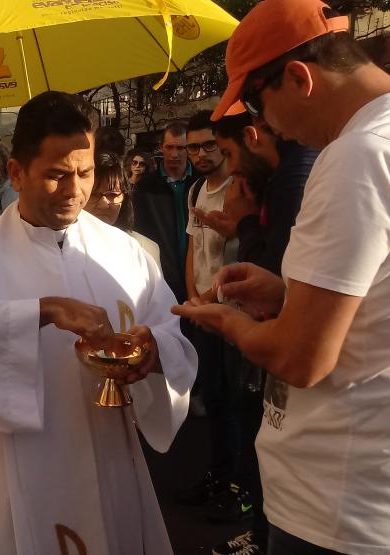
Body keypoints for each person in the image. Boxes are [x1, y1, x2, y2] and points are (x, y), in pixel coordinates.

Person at [0, 91, 197, 554]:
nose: (74, 191)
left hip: (109, 450)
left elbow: (168, 330)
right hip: (21, 461)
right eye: (56, 175)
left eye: (83, 174)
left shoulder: (123, 250)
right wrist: (42, 311)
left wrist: (152, 351)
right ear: (16, 173)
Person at [173, 1, 390, 553]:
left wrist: (228, 322)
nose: (261, 126)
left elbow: (301, 358)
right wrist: (288, 292)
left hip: (336, 497)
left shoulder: (355, 158)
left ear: (299, 77)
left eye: (254, 103)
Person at [202, 112, 317, 555]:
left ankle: (263, 530)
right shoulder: (290, 172)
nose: (229, 168)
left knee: (258, 424)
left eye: (228, 153)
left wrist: (246, 224)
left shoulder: (296, 174)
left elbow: (277, 272)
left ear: (252, 136)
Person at [177, 110, 246, 523]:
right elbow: (192, 250)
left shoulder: (241, 186)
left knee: (238, 403)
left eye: (207, 144)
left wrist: (203, 298)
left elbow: (243, 253)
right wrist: (192, 298)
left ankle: (239, 489)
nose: (200, 153)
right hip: (204, 312)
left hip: (236, 313)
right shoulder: (196, 190)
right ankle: (218, 477)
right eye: (192, 147)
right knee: (216, 399)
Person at [134, 122, 202, 302]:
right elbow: (139, 234)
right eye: (170, 147)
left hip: (200, 278)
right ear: (161, 148)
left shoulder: (202, 183)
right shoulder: (144, 188)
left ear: (188, 149)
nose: (174, 154)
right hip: (162, 279)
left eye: (180, 148)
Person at [86, 151, 161, 268]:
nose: (104, 204)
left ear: (124, 198)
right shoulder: (59, 249)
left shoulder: (146, 250)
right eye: (94, 195)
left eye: (113, 195)